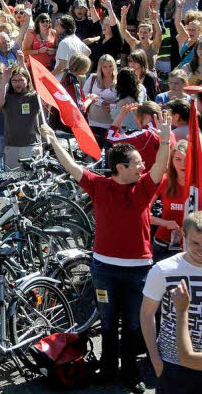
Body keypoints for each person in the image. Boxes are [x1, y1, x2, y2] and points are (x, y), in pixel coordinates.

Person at [41, 119, 171, 393]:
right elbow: (72, 166)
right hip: (105, 269)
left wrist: (167, 140)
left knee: (134, 325)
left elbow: (161, 165)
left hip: (139, 270)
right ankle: (108, 369)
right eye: (137, 163)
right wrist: (52, 139)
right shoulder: (99, 185)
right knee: (109, 322)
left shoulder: (145, 187)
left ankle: (129, 372)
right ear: (121, 168)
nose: (142, 167)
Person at [142, 211, 202, 394]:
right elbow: (147, 314)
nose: (201, 250)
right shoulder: (164, 270)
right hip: (174, 366)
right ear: (184, 237)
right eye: (195, 243)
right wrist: (156, 360)